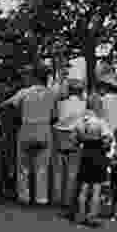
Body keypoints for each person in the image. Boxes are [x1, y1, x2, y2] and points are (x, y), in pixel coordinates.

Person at [0, 66, 61, 206]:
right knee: (42, 167)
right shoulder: (51, 94)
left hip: (26, 128)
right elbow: (55, 116)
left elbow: (7, 104)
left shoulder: (24, 92)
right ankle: (41, 198)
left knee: (23, 166)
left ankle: (24, 197)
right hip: (44, 129)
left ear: (34, 78)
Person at [71, 94, 114, 227]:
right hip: (98, 154)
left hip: (85, 154)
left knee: (83, 186)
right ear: (97, 106)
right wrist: (105, 146)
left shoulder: (80, 122)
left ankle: (80, 215)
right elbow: (108, 139)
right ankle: (92, 216)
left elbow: (74, 140)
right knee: (96, 188)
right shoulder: (100, 122)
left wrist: (81, 141)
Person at [52, 79, 87, 212]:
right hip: (74, 136)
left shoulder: (60, 103)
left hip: (59, 135)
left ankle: (57, 198)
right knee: (72, 171)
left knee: (58, 170)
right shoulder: (83, 105)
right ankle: (69, 199)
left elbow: (54, 118)